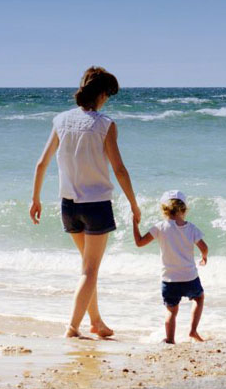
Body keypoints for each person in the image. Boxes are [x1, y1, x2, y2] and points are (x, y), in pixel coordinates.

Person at [29, 66, 142, 338]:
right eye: (107, 96)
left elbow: (41, 163)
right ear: (101, 94)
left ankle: (97, 322)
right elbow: (119, 169)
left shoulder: (60, 121)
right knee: (90, 270)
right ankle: (72, 326)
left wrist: (35, 199)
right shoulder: (105, 124)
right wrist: (134, 204)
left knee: (86, 268)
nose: (107, 101)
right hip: (96, 205)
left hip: (68, 205)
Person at [132, 189, 208, 344]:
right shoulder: (191, 228)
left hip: (169, 279)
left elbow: (139, 242)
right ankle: (193, 331)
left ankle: (170, 339)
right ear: (184, 209)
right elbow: (204, 247)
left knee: (171, 311)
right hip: (189, 277)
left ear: (164, 209)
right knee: (198, 298)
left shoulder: (160, 227)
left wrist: (134, 223)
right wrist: (204, 257)